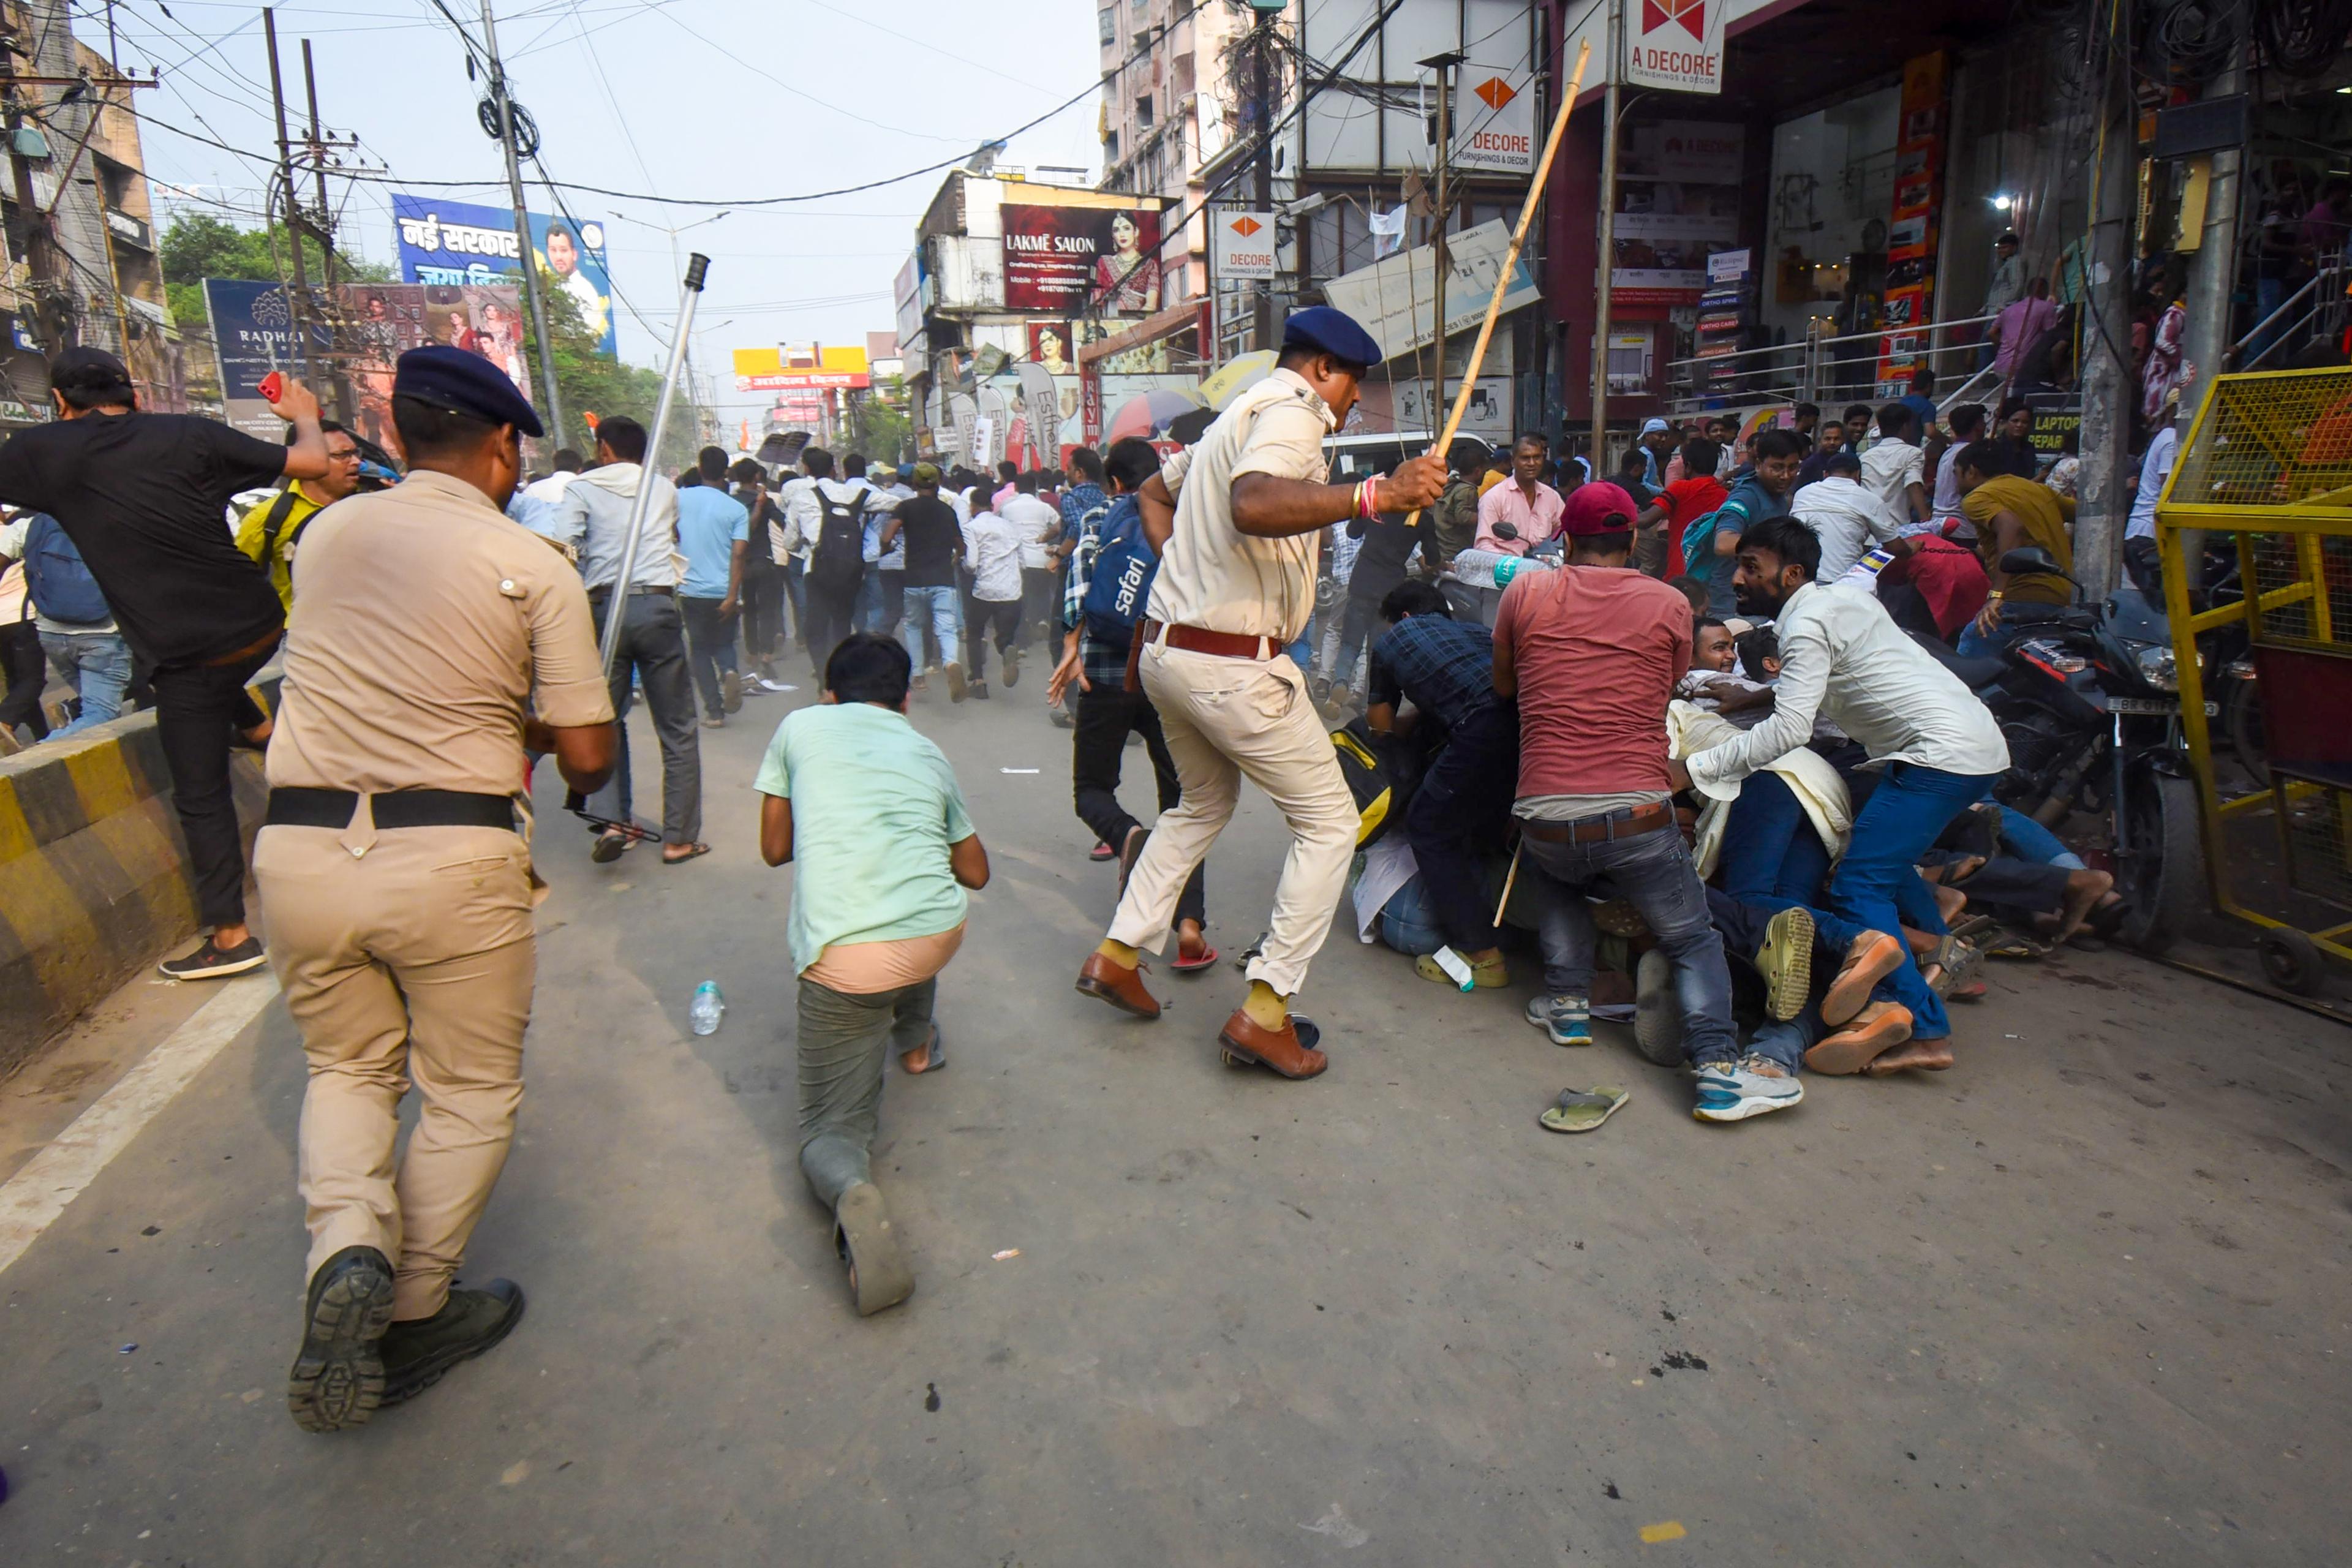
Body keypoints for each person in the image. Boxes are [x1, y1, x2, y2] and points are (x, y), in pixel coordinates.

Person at [260, 344, 618, 1432]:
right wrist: (525, 722)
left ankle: (349, 1246)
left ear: (401, 434)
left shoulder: (324, 536)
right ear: (503, 446)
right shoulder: (534, 565)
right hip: (451, 857)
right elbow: (592, 756)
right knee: (464, 1091)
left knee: (347, 1067)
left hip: (303, 848)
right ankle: (412, 1309)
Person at [1072, 306, 1447, 1079]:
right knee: (1330, 823)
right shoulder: (1291, 411)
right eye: (1352, 386)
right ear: (1322, 370)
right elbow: (1252, 504)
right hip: (1232, 666)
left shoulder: (1234, 414)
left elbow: (1153, 489)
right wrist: (1374, 494)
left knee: (1198, 806)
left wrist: (1190, 570)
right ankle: (1267, 1008)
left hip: (1171, 654)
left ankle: (1117, 953)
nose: (1350, 404)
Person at [0, 347, 333, 977]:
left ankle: (231, 937)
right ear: (135, 397)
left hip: (186, 651)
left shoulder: (45, 450)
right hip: (256, 623)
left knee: (200, 792)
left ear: (62, 405)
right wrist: (304, 413)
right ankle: (261, 730)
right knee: (204, 677)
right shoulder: (189, 431)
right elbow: (312, 461)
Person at [1673, 516, 2008, 1074]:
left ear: (1793, 573)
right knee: (1878, 859)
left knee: (1857, 888)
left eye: (1752, 567)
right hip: (1970, 746)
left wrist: (1693, 767)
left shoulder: (1804, 627)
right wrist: (1751, 694)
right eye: (1739, 565)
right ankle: (1943, 958)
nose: (1739, 577)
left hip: (1937, 756)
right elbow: (1824, 669)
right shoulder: (1841, 598)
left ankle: (1922, 1027)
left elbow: (1789, 731)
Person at [1490, 480, 1779, 1123]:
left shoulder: (1527, 590)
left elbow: (1505, 685)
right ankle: (1716, 1070)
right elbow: (1669, 684)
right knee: (1692, 936)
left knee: (1560, 879)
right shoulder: (1670, 603)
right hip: (1637, 812)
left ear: (1567, 538)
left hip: (1543, 809)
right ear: (1632, 541)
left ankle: (1566, 1005)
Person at [755, 632, 987, 1317]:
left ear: (827, 694)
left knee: (829, 1128)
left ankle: (847, 1182)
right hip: (937, 933)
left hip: (847, 958)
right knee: (914, 903)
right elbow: (974, 872)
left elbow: (773, 850)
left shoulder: (798, 725)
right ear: (906, 699)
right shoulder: (926, 749)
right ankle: (916, 1042)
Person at [1048, 437, 1212, 968]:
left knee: (1091, 789)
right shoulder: (1186, 522)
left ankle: (1128, 837)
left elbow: (1078, 585)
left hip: (1105, 672)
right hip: (1170, 675)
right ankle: (1189, 929)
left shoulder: (1101, 514)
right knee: (1184, 802)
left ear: (1115, 482)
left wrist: (1072, 646)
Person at [552, 415, 706, 865]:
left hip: (604, 610)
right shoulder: (662, 488)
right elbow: (671, 536)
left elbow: (564, 547)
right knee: (677, 728)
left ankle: (613, 821)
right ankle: (679, 838)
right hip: (658, 606)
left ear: (603, 448)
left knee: (607, 720)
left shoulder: (582, 488)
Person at [1366, 575, 1518, 990]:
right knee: (1481, 827)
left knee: (1427, 827)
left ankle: (1482, 954)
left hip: (1482, 729)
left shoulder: (1394, 639)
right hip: (1530, 730)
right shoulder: (1476, 631)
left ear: (1402, 616)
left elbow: (1381, 727)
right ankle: (1497, 923)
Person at [0, 509, 132, 738]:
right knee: (102, 711)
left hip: (51, 631)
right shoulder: (107, 512)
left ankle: (64, 715)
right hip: (99, 629)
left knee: (97, 697)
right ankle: (44, 747)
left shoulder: (29, 526)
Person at [1951, 442, 2075, 657]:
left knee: (1971, 649)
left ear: (1971, 471)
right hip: (2062, 595)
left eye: (1956, 474)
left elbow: (2012, 527)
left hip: (2022, 596)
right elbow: (2082, 512)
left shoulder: (1977, 497)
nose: (1955, 482)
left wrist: (1997, 594)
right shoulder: (2038, 490)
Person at [1326, 467, 1436, 704]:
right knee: (1375, 649)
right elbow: (1434, 559)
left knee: (1350, 642)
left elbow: (1352, 533)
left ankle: (1341, 683)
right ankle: (1368, 699)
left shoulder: (1380, 506)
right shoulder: (1423, 519)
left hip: (1362, 581)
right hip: (1391, 590)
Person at [235, 421, 364, 609]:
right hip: (298, 632)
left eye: (355, 453)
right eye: (343, 455)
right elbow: (238, 582)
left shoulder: (372, 505)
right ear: (307, 460)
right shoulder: (267, 517)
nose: (356, 462)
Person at [1683, 428, 1802, 616]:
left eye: (1792, 468)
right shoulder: (1745, 497)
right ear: (1758, 465)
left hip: (1761, 602)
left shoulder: (1778, 496)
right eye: (1777, 468)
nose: (1786, 475)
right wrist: (1779, 545)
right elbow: (1723, 544)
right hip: (1732, 607)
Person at [674, 448, 751, 728]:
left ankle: (714, 712)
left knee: (700, 649)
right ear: (726, 472)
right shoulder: (736, 509)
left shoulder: (678, 499)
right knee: (724, 642)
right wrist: (733, 595)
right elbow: (739, 553)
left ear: (700, 467)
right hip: (723, 590)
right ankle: (730, 670)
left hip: (691, 589)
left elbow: (669, 533)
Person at [778, 447, 869, 676]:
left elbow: (789, 542)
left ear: (807, 469)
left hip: (816, 568)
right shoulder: (855, 493)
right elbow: (891, 503)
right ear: (834, 470)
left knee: (816, 627)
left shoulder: (801, 497)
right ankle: (840, 675)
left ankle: (822, 678)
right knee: (841, 625)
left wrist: (803, 544)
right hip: (850, 569)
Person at [880, 462, 967, 699]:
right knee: (947, 627)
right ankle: (950, 663)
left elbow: (888, 535)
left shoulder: (905, 507)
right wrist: (956, 557)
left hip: (914, 580)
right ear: (938, 483)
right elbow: (961, 545)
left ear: (914, 484)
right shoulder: (947, 511)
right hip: (943, 579)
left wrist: (886, 547)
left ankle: (917, 676)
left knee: (914, 625)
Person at [1793, 447, 1904, 581]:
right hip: (1841, 582)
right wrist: (1911, 548)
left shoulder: (1803, 493)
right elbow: (1896, 548)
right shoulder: (1869, 500)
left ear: (1825, 474)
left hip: (1799, 580)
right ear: (1858, 475)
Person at [959, 489, 1024, 699]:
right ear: (992, 505)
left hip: (985, 589)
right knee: (1004, 635)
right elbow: (1021, 560)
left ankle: (978, 682)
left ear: (973, 507)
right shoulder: (1009, 526)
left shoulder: (972, 528)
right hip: (1011, 589)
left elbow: (971, 563)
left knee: (975, 632)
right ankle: (1007, 650)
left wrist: (961, 564)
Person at [729, 458, 788, 687]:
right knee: (767, 610)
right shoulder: (764, 501)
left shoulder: (732, 502)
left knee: (750, 610)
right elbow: (782, 523)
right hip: (764, 560)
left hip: (742, 563)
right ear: (756, 477)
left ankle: (751, 652)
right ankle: (766, 653)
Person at [1634, 438, 1725, 579]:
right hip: (1712, 577)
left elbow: (1646, 520)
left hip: (1680, 573)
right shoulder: (1726, 496)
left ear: (1688, 466)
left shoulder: (1680, 489)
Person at [999, 469, 1064, 650]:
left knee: (1021, 598)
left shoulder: (1007, 507)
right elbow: (1060, 524)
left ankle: (1022, 639)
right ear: (1035, 487)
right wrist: (1046, 538)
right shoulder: (1043, 507)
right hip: (1041, 557)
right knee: (1042, 593)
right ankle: (1042, 620)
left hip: (1017, 561)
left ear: (1017, 488)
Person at [1474, 432, 1564, 556]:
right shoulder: (1494, 497)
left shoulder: (1552, 497)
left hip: (1543, 570)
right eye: (1525, 458)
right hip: (1507, 571)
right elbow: (1483, 545)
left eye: (1537, 457)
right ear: (1513, 461)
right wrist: (1512, 564)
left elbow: (1563, 533)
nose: (1532, 463)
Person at [2123, 414, 2177, 597]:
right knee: (2148, 598)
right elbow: (2169, 489)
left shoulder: (2167, 435)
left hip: (2148, 526)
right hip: (2148, 529)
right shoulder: (2171, 438)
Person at [1859, 401, 1929, 528]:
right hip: (1897, 531)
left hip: (1867, 530)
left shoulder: (1865, 457)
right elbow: (1913, 484)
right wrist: (1927, 522)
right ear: (1906, 426)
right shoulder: (1912, 453)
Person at [1929, 403, 1989, 531]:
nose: (1985, 426)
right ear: (1978, 426)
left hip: (1940, 523)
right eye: (1983, 422)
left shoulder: (1948, 453)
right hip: (1962, 528)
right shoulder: (1972, 453)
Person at [1991, 277, 2057, 387]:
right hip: (2024, 367)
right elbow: (2052, 334)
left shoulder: (2009, 310)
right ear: (2044, 291)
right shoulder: (2046, 307)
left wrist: (2004, 345)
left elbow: (1991, 333)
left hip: (2001, 366)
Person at [1979, 230, 2026, 365]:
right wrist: (1984, 309)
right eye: (1999, 248)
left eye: (2005, 247)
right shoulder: (2006, 265)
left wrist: (2003, 307)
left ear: (2014, 247)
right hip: (1993, 311)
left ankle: (1983, 379)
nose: (2001, 251)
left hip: (2000, 312)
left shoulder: (2016, 262)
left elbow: (2017, 286)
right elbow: (1998, 291)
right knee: (1987, 345)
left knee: (1987, 345)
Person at [1793, 420, 1849, 490]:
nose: (1832, 442)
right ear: (1820, 441)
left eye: (1836, 439)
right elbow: (1796, 491)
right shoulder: (1810, 464)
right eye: (1828, 439)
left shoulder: (1846, 463)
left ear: (1843, 440)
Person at [1636, 416, 1678, 488]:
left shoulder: (1645, 453)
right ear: (1647, 436)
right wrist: (1661, 492)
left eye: (1666, 436)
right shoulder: (1647, 455)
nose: (1664, 439)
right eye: (1660, 435)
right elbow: (1642, 483)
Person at [1898, 369, 1939, 437]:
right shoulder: (1927, 406)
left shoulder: (1902, 402)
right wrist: (1949, 440)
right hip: (1912, 444)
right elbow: (1931, 433)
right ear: (1929, 386)